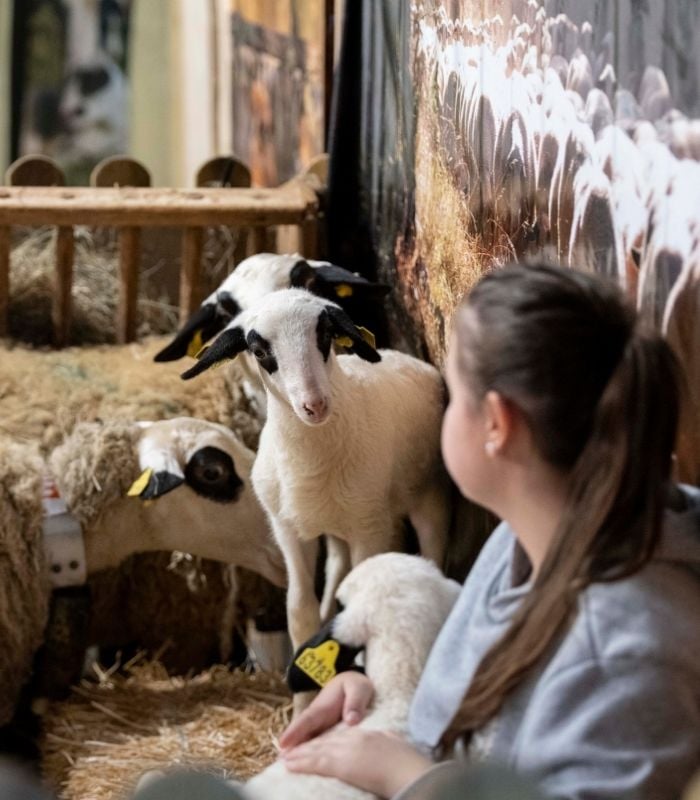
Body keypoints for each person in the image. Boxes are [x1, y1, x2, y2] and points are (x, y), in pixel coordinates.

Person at [275, 262, 700, 799]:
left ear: (498, 424)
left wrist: (408, 777)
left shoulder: (629, 657)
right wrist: (381, 693)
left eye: (452, 392)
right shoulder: (523, 540)